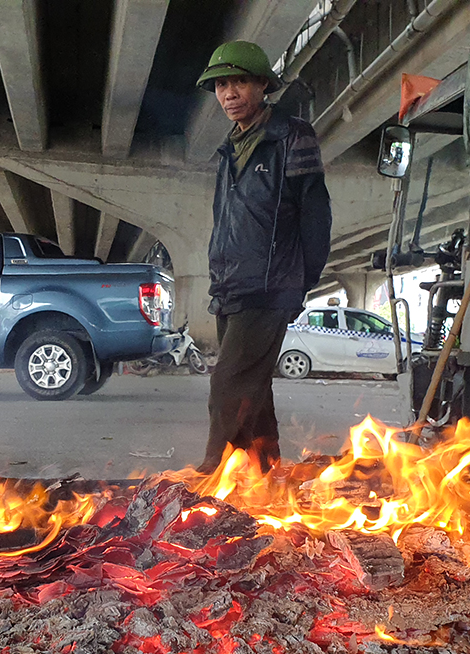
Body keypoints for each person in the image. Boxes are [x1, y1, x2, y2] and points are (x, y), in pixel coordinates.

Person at [194, 40, 332, 474]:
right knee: (255, 393)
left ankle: (212, 477)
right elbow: (225, 220)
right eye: (220, 85)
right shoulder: (230, 148)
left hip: (271, 287)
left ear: (262, 86)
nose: (229, 93)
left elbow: (315, 215)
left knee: (228, 387)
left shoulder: (291, 137)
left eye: (239, 82)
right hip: (232, 283)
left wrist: (300, 283)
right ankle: (268, 475)